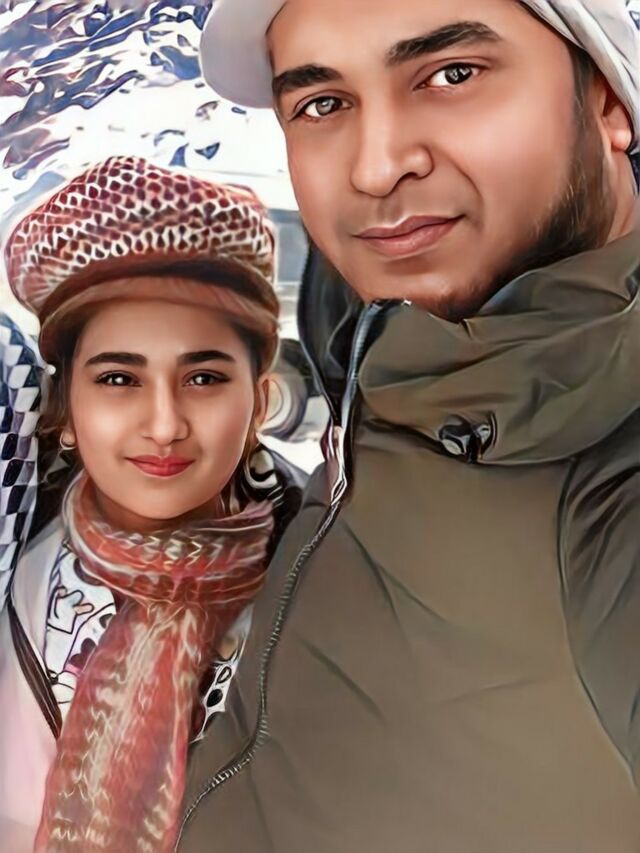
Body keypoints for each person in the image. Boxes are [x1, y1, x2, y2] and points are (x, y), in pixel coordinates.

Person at [183, 1, 640, 852]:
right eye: (322, 103)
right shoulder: (383, 326)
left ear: (609, 100)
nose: (376, 167)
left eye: (452, 74)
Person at [0, 156, 302, 852]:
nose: (164, 424)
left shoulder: (323, 573)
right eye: (118, 379)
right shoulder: (28, 579)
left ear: (258, 403)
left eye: (203, 378)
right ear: (66, 409)